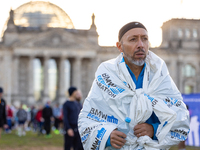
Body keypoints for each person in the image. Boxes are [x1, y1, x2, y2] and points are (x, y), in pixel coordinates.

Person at [78, 22, 190, 150]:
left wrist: (154, 129)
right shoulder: (107, 75)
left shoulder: (159, 75)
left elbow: (181, 119)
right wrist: (106, 136)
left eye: (144, 39)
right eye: (133, 39)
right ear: (120, 47)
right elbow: (87, 119)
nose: (140, 45)